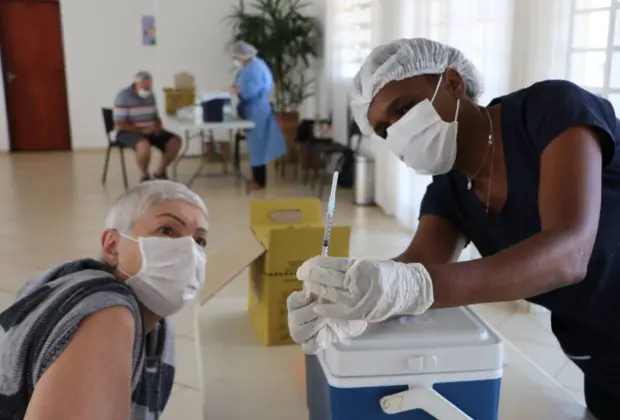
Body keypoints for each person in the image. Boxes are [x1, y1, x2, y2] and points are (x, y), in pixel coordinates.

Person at [287, 38, 620, 420]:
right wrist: (349, 307)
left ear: (453, 82)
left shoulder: (549, 111)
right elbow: (413, 269)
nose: (397, 130)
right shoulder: (449, 191)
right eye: (383, 130)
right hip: (600, 355)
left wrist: (408, 287)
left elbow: (569, 255)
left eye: (405, 107)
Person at [0, 180, 208, 419]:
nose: (188, 250)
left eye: (199, 241)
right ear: (112, 246)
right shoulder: (107, 314)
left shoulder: (156, 325)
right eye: (167, 230)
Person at [232, 41, 287, 190]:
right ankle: (256, 178)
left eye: (237, 57)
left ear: (244, 56)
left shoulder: (255, 68)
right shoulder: (253, 65)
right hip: (254, 108)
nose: (235, 60)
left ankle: (260, 181)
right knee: (256, 145)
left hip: (257, 110)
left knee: (258, 146)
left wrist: (238, 91)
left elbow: (251, 90)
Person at [114, 71, 182, 182]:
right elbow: (119, 124)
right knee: (143, 145)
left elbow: (155, 116)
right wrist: (141, 129)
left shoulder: (150, 95)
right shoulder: (123, 96)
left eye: (149, 87)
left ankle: (160, 172)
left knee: (175, 141)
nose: (147, 90)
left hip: (150, 129)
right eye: (144, 87)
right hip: (128, 131)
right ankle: (144, 175)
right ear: (136, 84)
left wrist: (158, 125)